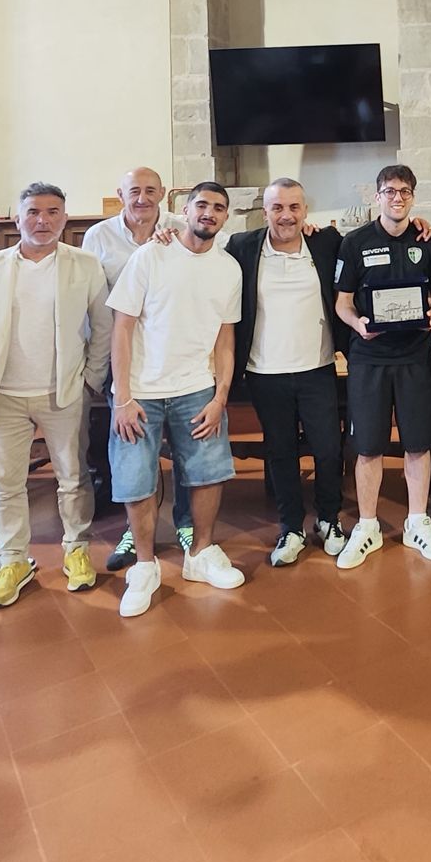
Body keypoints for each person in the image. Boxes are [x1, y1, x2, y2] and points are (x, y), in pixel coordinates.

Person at [0, 182, 112, 610]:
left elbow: (104, 327)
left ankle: (77, 549)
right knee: (4, 484)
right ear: (17, 218)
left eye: (53, 212)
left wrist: (91, 379)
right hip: (1, 396)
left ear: (64, 218)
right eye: (34, 212)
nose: (43, 220)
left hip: (63, 392)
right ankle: (13, 560)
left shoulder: (85, 265)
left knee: (73, 477)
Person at [108, 181, 244, 616]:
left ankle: (200, 554)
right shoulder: (151, 256)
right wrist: (122, 396)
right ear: (183, 210)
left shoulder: (229, 268)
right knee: (136, 479)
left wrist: (220, 396)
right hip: (141, 391)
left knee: (208, 472)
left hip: (196, 387)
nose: (209, 213)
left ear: (225, 217)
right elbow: (122, 327)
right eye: (201, 204)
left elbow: (225, 338)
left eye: (218, 207)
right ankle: (145, 566)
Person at [333, 163, 431, 568]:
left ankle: (417, 522)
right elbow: (342, 303)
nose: (397, 198)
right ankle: (367, 526)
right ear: (377, 196)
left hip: (416, 355)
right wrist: (358, 324)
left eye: (404, 191)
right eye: (389, 191)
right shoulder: (355, 243)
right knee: (368, 446)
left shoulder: (428, 241)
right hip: (369, 358)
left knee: (418, 442)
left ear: (413, 197)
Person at [225, 178, 348, 566]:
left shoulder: (326, 243)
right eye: (277, 207)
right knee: (280, 452)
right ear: (265, 212)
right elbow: (199, 248)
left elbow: (365, 249)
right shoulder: (242, 247)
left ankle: (328, 520)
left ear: (305, 210)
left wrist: (418, 226)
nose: (286, 215)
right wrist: (167, 234)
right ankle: (291, 527)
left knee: (328, 449)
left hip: (317, 367)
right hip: (265, 371)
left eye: (294, 207)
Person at [82, 166, 191, 571]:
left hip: (175, 355)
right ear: (120, 194)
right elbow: (93, 304)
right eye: (134, 191)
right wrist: (96, 366)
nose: (142, 198)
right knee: (133, 452)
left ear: (162, 193)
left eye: (150, 190)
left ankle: (187, 524)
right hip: (124, 358)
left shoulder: (183, 228)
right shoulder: (99, 236)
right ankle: (135, 532)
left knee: (186, 449)